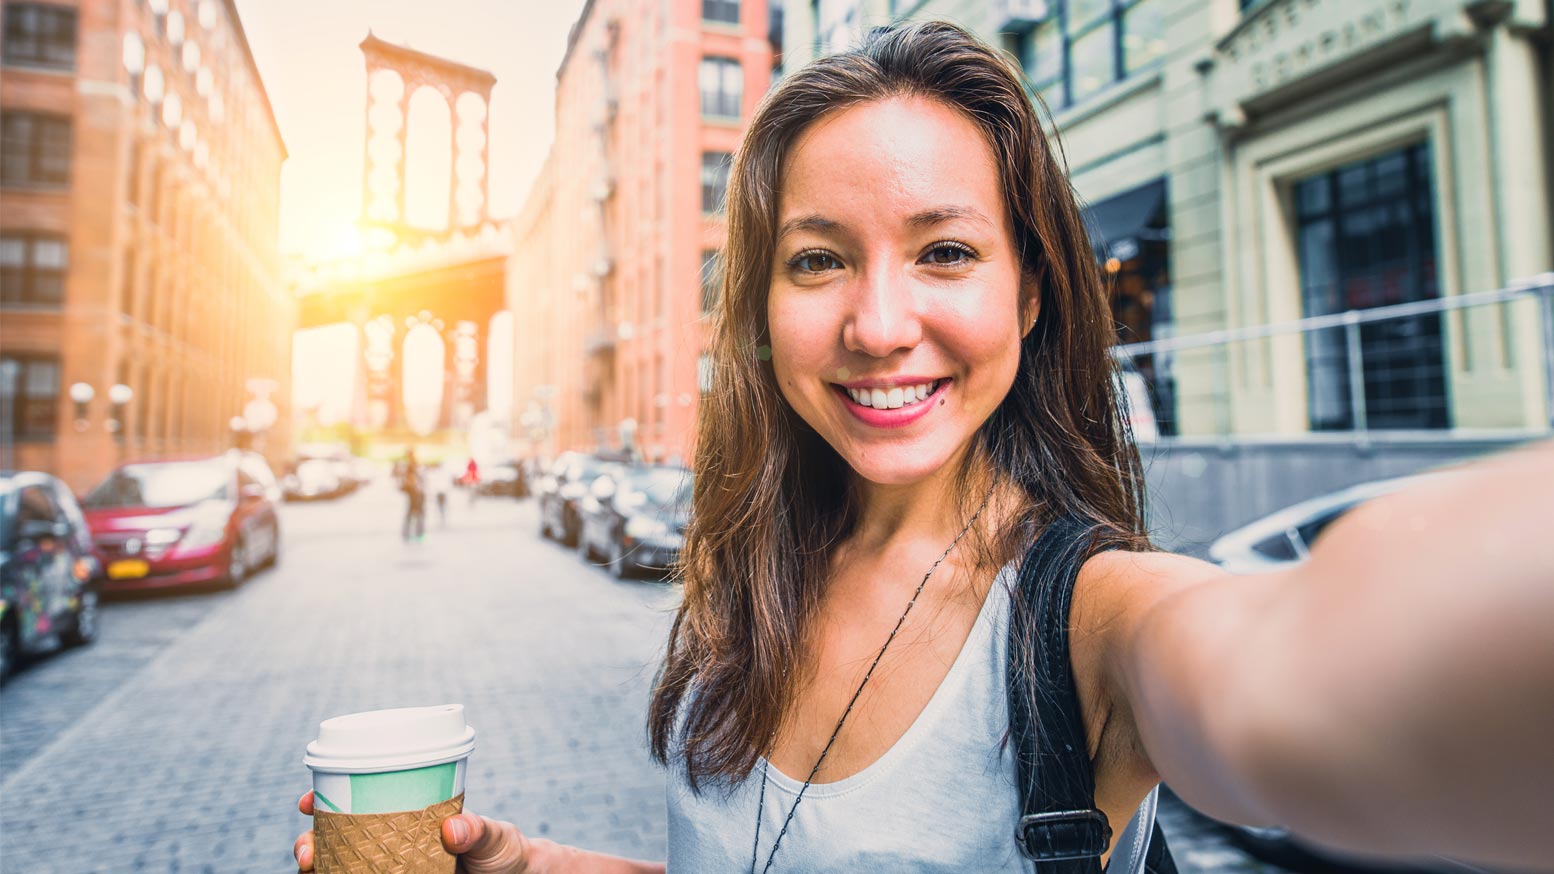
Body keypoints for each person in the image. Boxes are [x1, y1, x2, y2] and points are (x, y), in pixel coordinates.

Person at [295, 22, 1554, 873]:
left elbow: (1304, 667)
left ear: (1032, 293)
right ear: (762, 304)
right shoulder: (752, 570)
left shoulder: (1092, 619)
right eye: (818, 259)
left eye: (946, 251)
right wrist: (537, 867)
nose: (878, 324)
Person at [400, 447, 426, 543]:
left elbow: (413, 479)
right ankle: (416, 533)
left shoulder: (411, 465)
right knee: (416, 513)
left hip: (415, 492)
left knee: (413, 513)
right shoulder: (412, 465)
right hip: (415, 493)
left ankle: (413, 533)